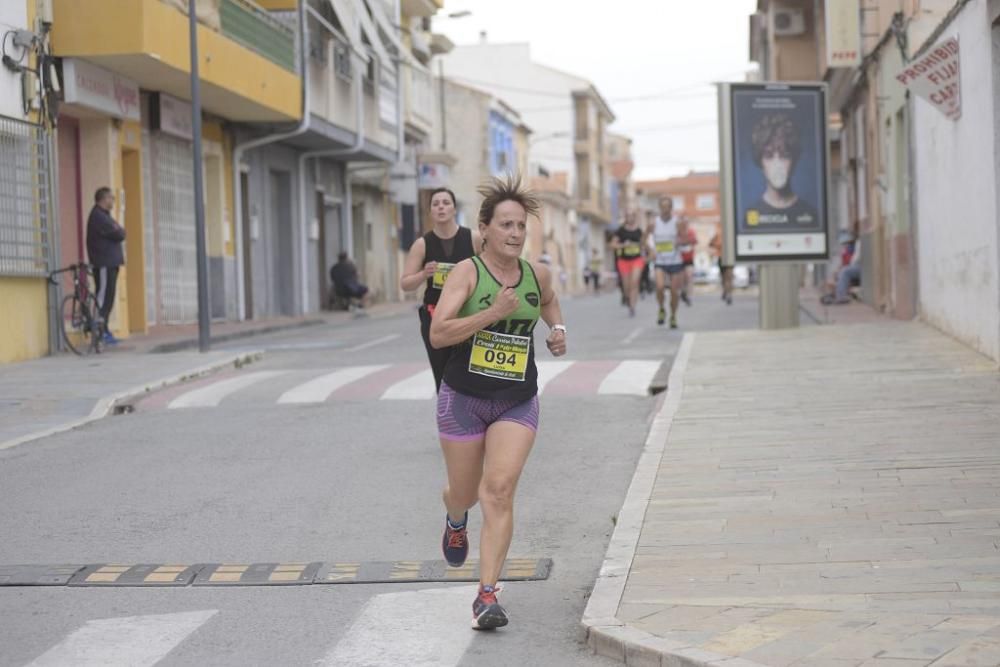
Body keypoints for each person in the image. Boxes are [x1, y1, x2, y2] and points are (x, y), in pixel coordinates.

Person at [429, 174, 566, 630]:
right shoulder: (467, 272)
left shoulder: (536, 274)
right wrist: (491, 313)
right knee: (466, 493)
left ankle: (487, 594)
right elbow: (439, 332)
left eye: (520, 227)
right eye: (505, 225)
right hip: (463, 398)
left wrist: (557, 330)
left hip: (516, 399)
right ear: (483, 230)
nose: (514, 234)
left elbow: (547, 300)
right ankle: (454, 517)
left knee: (500, 491)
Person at [400, 188, 479, 392]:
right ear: (431, 212)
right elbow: (405, 283)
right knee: (442, 373)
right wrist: (423, 274)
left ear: (454, 208)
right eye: (436, 204)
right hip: (435, 315)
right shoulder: (422, 244)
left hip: (468, 314)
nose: (441, 207)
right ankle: (448, 417)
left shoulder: (474, 238)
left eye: (446, 202)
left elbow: (492, 268)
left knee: (471, 371)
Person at [743, 113, 819, 229]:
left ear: (794, 160)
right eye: (769, 156)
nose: (777, 164)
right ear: (760, 161)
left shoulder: (810, 214)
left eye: (784, 156)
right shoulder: (751, 215)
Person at [86, 186, 125, 345]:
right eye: (111, 198)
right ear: (103, 199)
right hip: (104, 263)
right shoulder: (98, 216)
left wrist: (119, 230)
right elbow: (120, 233)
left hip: (111, 262)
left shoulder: (105, 216)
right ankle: (99, 330)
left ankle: (104, 329)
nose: (113, 201)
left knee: (109, 298)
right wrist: (119, 230)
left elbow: (120, 231)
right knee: (102, 297)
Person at [647, 195, 686, 328]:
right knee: (659, 287)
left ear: (671, 208)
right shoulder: (653, 223)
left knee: (675, 291)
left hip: (675, 260)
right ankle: (661, 309)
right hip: (660, 260)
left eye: (667, 207)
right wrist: (651, 249)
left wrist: (679, 242)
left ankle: (673, 316)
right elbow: (645, 240)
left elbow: (685, 239)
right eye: (662, 207)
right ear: (659, 208)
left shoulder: (677, 222)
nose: (665, 209)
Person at [610, 211, 645, 317]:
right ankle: (627, 297)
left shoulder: (639, 231)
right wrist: (623, 245)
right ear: (626, 218)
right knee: (626, 286)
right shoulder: (620, 231)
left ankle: (632, 307)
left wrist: (650, 252)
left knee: (634, 282)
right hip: (624, 261)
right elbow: (612, 245)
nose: (630, 218)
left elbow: (644, 244)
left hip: (637, 259)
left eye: (632, 216)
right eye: (628, 216)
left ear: (634, 217)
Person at [709, 223, 734, 305]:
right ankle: (725, 291)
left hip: (730, 257)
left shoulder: (732, 233)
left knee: (729, 276)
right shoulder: (719, 233)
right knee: (723, 277)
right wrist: (718, 245)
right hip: (721, 257)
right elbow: (710, 243)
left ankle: (729, 294)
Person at [678, 223, 697, 306]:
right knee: (681, 279)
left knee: (689, 276)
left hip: (689, 258)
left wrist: (686, 241)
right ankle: (683, 291)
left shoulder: (691, 232)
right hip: (679, 259)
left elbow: (695, 241)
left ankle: (689, 296)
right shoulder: (677, 232)